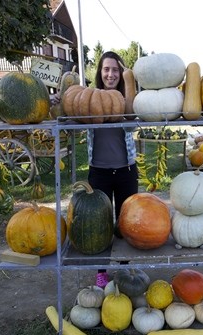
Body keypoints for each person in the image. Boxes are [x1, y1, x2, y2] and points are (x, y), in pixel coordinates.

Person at [86, 52, 138, 225]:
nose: (111, 74)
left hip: (126, 171)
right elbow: (70, 111)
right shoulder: (89, 98)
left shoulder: (129, 99)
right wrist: (57, 102)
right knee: (101, 227)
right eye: (106, 69)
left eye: (115, 70)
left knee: (126, 227)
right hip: (98, 172)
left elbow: (132, 125)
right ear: (100, 72)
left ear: (121, 73)